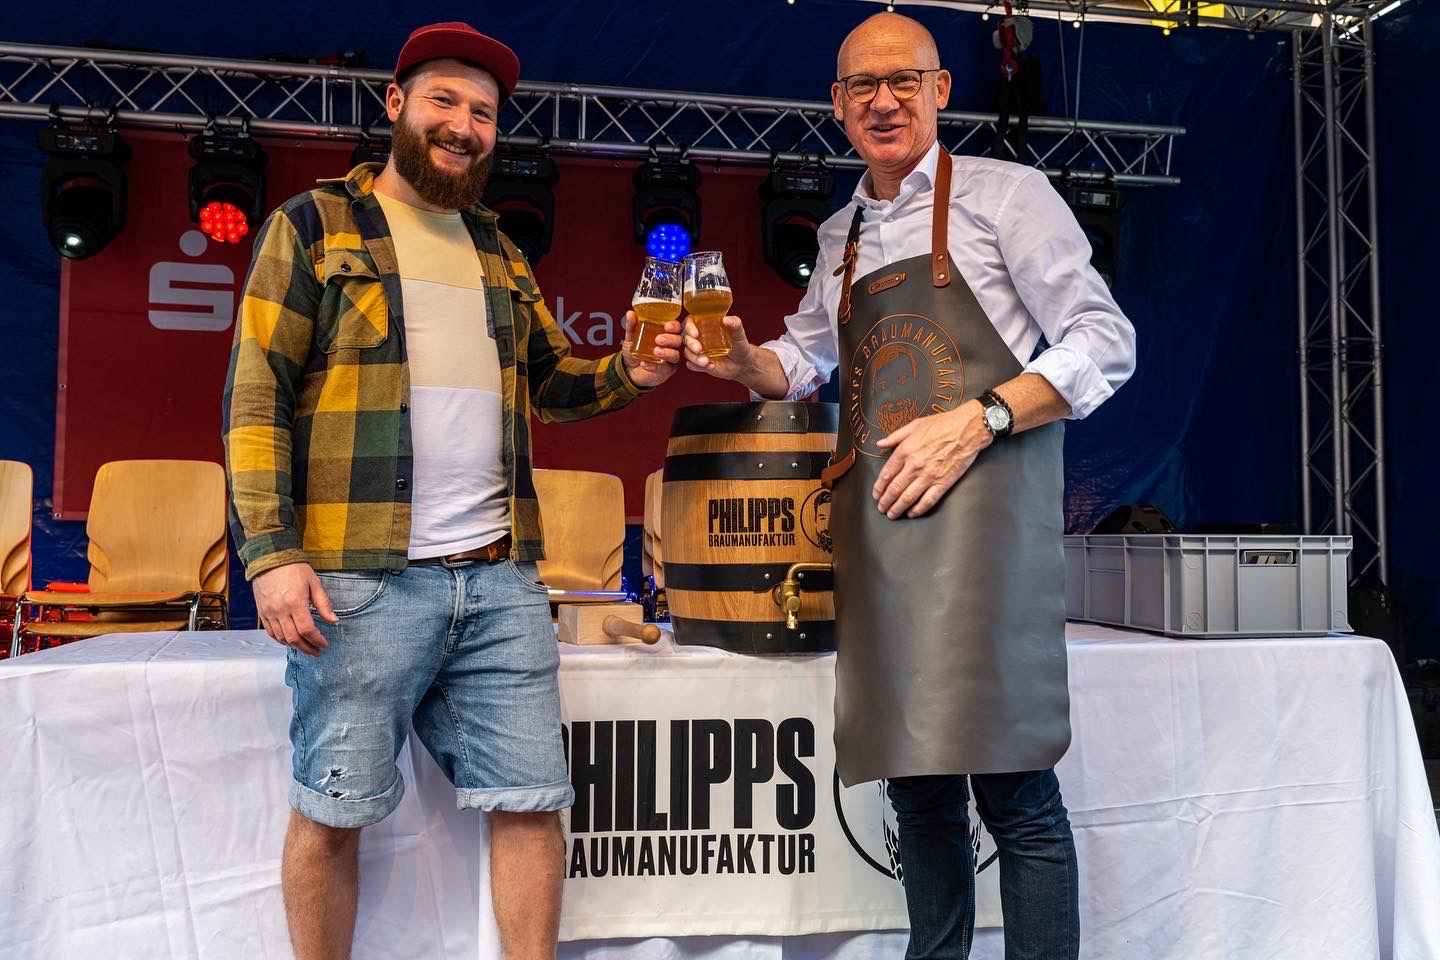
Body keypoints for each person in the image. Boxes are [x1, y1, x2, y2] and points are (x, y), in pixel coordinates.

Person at [221, 21, 679, 960]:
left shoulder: (499, 249)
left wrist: (631, 370)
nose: (463, 125)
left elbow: (552, 384)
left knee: (532, 804)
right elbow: (256, 398)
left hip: (501, 579)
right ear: (396, 105)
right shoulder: (312, 226)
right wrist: (270, 555)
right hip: (359, 582)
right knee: (335, 810)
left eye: (482, 111)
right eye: (443, 100)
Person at [684, 13, 1135, 959]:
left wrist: (981, 418)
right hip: (882, 538)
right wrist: (742, 360)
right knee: (917, 788)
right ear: (838, 105)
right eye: (863, 86)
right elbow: (805, 360)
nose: (883, 101)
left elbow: (1104, 342)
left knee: (1015, 787)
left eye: (903, 81)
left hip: (986, 535)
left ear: (940, 91)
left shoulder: (1009, 197)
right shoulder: (842, 232)